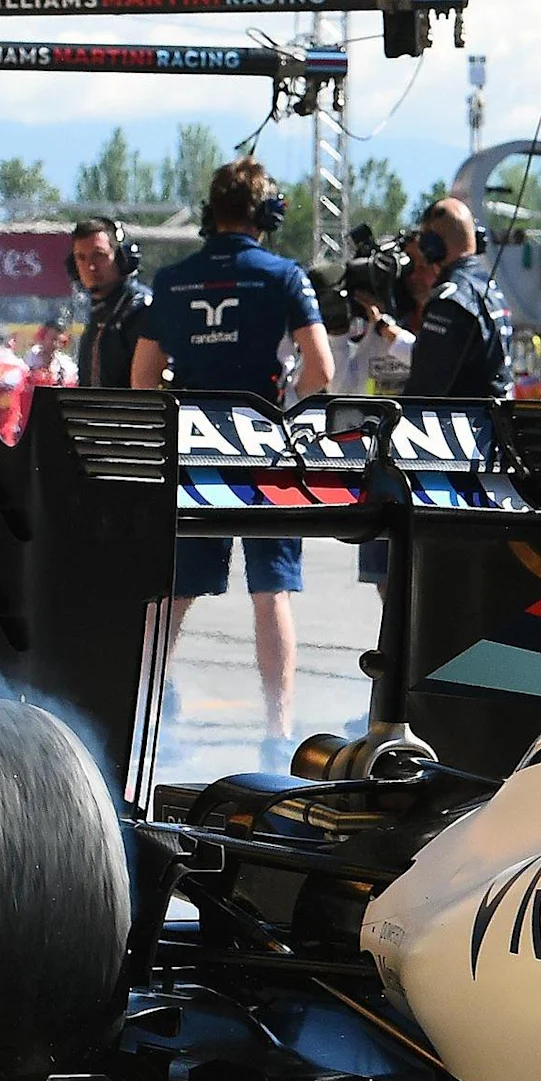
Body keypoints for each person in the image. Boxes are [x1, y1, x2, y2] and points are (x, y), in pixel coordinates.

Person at [134, 156, 332, 763]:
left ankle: (142, 724)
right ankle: (277, 734)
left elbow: (142, 379)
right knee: (271, 591)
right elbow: (321, 374)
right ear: (266, 214)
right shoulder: (284, 276)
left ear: (209, 214)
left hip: (192, 448)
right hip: (266, 449)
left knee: (173, 596)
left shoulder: (172, 280)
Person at [398, 195, 507, 400]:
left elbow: (424, 389)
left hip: (463, 422)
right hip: (494, 419)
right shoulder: (491, 287)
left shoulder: (449, 299)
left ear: (432, 244)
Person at [69, 215, 149, 388]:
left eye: (99, 255)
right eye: (81, 258)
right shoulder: (98, 313)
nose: (90, 267)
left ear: (121, 258)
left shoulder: (141, 309)